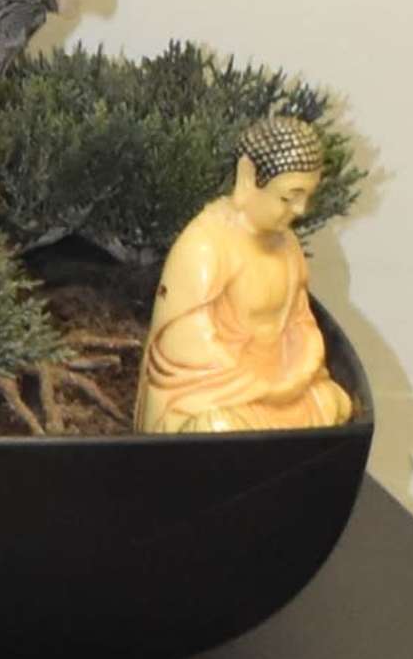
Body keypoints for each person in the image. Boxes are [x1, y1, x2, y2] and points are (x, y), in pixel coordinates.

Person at [133, 114, 353, 437]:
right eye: (288, 197)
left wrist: (302, 367)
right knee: (217, 429)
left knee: (336, 403)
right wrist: (260, 383)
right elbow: (182, 343)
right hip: (218, 392)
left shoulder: (287, 244)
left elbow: (300, 321)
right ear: (247, 178)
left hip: (279, 386)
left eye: (307, 197)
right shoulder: (206, 245)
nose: (300, 210)